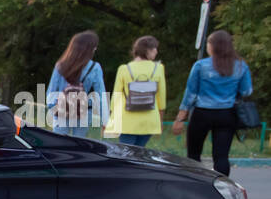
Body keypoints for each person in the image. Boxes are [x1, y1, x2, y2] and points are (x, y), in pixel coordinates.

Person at [175, 30, 253, 177]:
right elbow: (247, 91)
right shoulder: (241, 66)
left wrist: (180, 117)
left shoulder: (200, 66)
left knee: (193, 154)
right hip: (227, 114)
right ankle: (221, 189)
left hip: (201, 114)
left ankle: (194, 185)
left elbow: (190, 94)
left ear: (213, 46)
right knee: (221, 156)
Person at [106, 36, 166, 147]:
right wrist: (160, 121)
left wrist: (111, 119)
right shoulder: (159, 68)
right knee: (140, 153)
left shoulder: (123, 69)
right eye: (154, 48)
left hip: (127, 121)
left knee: (126, 154)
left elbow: (117, 97)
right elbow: (161, 98)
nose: (156, 51)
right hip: (149, 121)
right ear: (147, 50)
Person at [46, 31, 108, 136]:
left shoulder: (60, 65)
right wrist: (105, 120)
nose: (95, 49)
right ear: (89, 49)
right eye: (94, 47)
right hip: (83, 111)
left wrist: (54, 109)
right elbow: (101, 95)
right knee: (78, 145)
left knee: (59, 145)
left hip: (61, 109)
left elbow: (51, 93)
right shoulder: (95, 67)